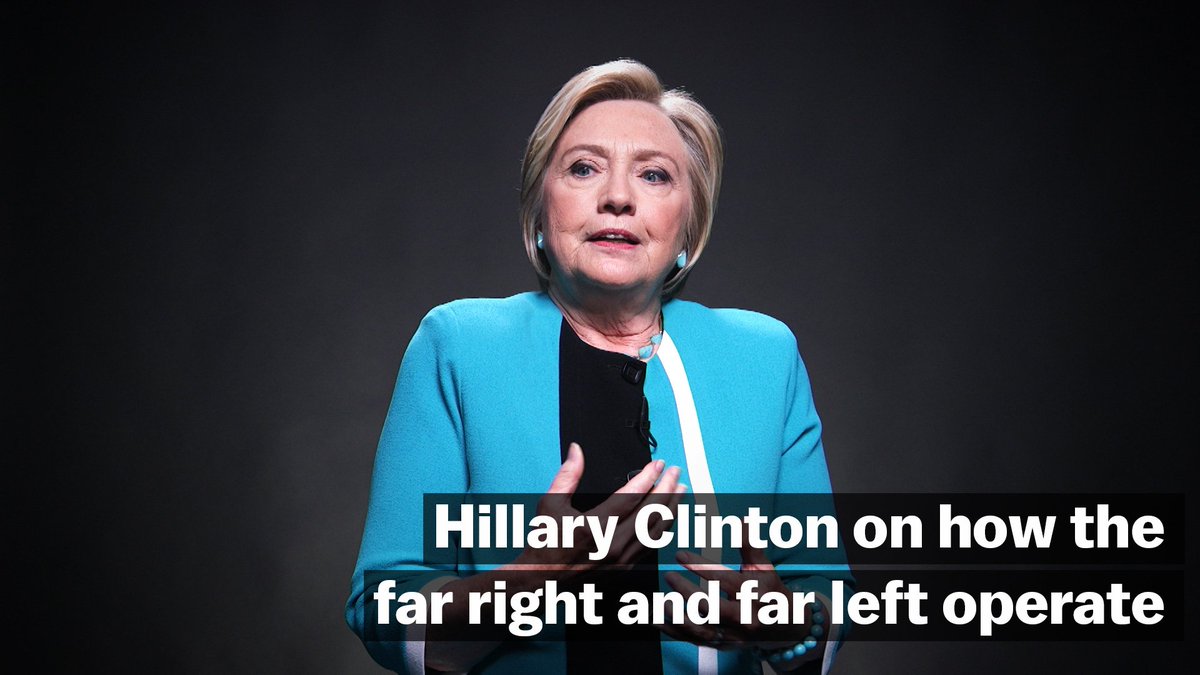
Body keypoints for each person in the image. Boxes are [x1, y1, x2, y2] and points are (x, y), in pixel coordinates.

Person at [345, 59, 852, 674]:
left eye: (654, 175)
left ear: (687, 230)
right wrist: (530, 582)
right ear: (540, 215)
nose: (617, 197)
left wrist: (782, 624)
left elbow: (826, 598)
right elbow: (384, 604)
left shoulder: (764, 357)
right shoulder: (457, 345)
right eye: (584, 168)